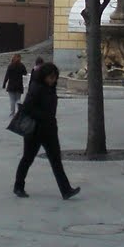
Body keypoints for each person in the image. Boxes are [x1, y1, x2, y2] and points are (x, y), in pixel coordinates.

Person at [13, 63, 80, 201]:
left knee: (56, 160)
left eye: (55, 77)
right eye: (50, 77)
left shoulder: (51, 88)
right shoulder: (36, 88)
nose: (53, 80)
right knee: (27, 158)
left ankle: (66, 190)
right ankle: (18, 186)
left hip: (49, 130)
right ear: (44, 76)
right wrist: (43, 116)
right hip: (35, 131)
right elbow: (27, 108)